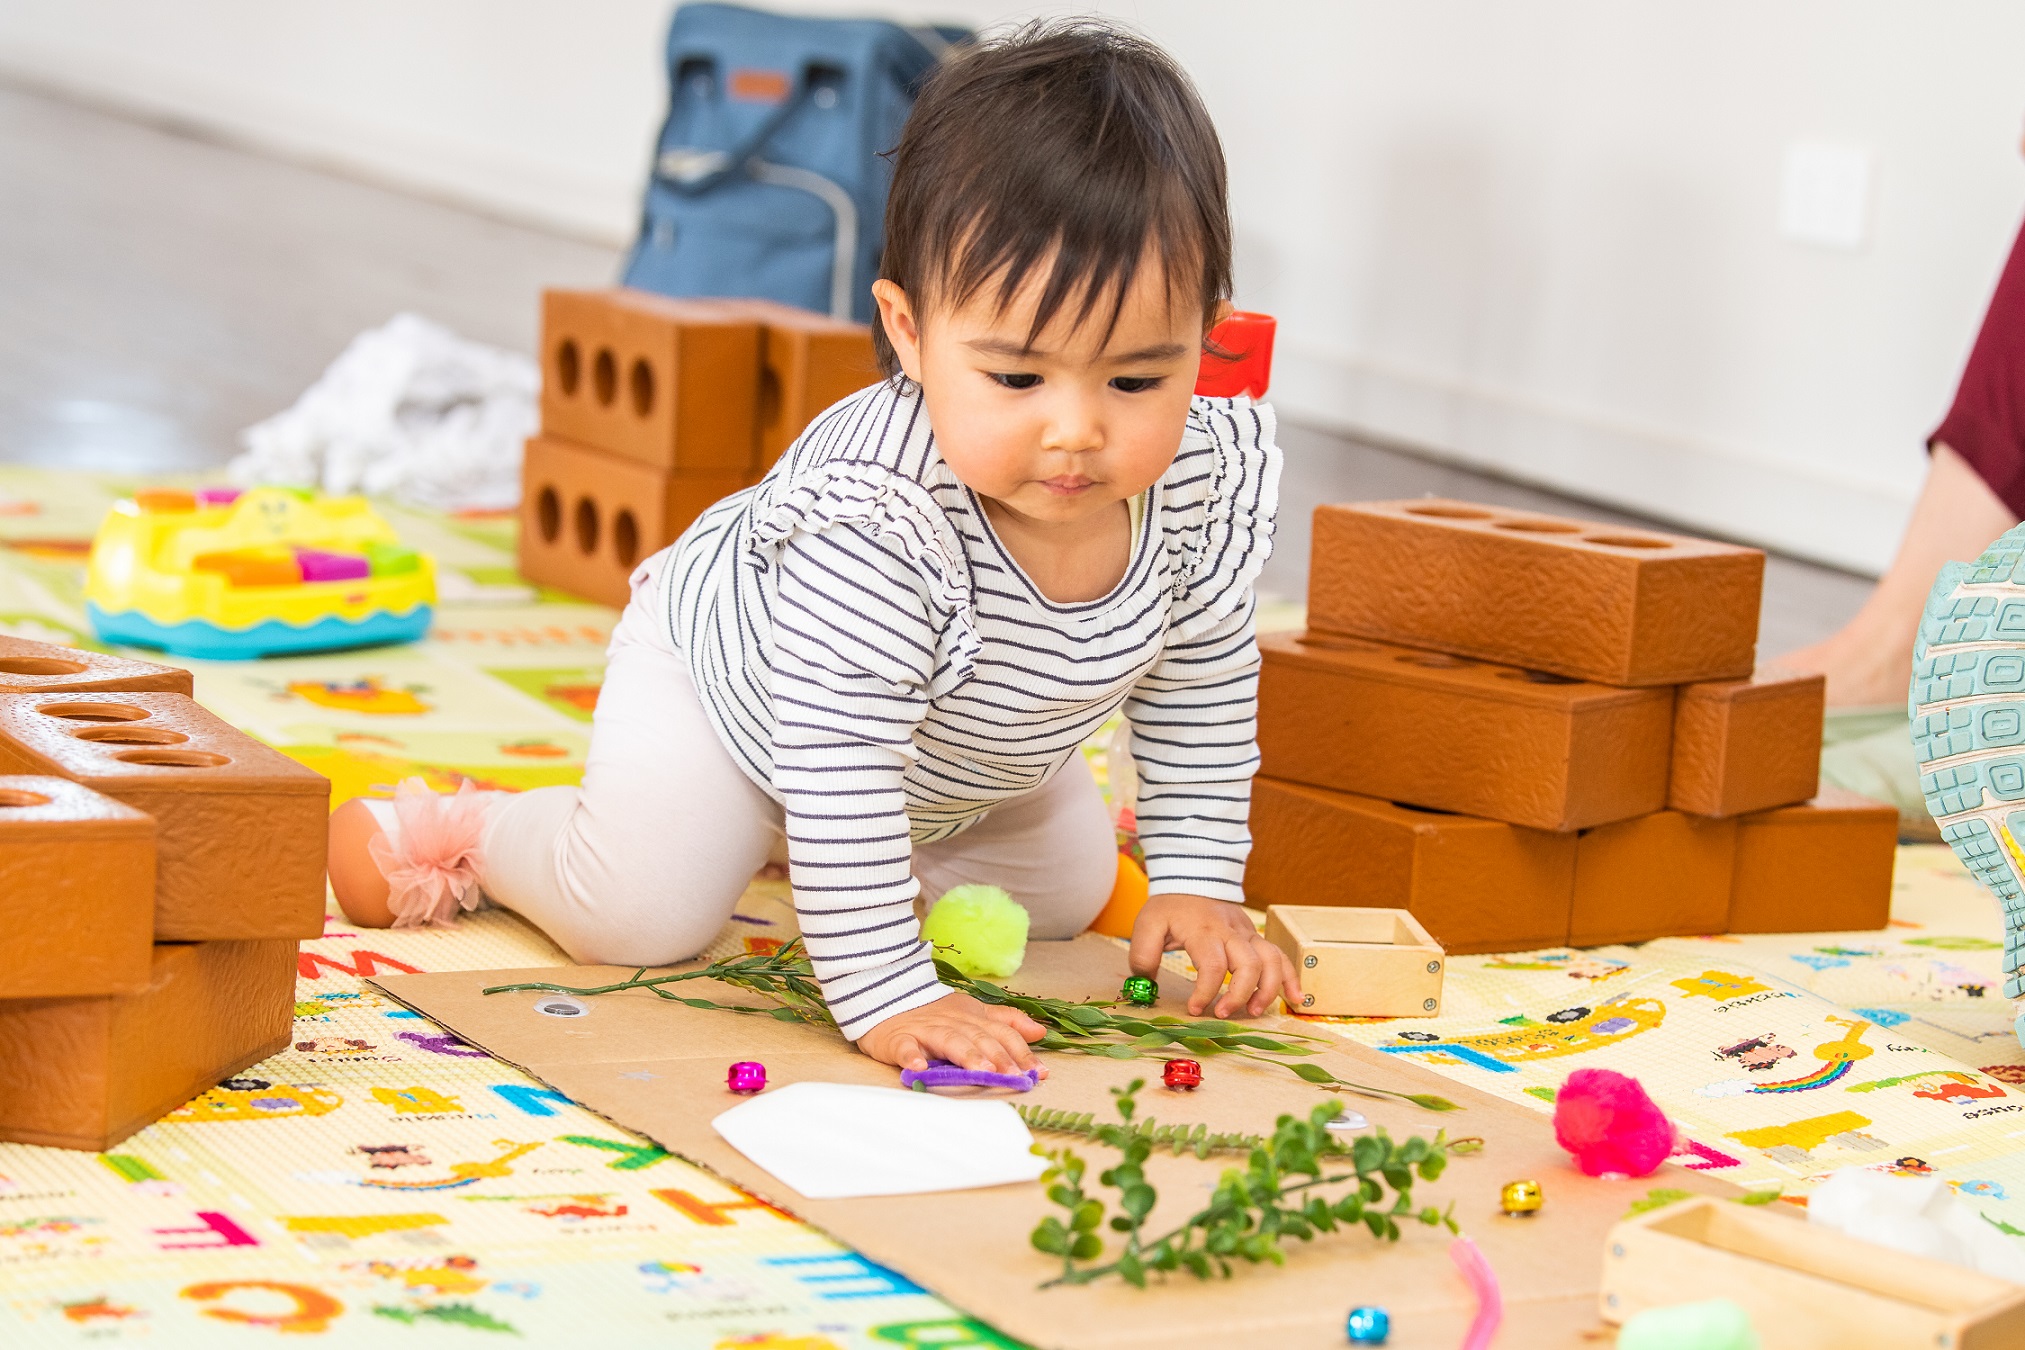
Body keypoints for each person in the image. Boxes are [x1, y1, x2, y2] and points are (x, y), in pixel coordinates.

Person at [325, 21, 1300, 1078]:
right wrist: (885, 994)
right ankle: (481, 834)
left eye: (1136, 381)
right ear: (909, 330)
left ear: (1205, 339)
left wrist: (1199, 880)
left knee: (1063, 901)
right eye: (1018, 380)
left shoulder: (1200, 478)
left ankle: (826, 863)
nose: (1077, 431)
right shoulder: (877, 518)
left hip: (955, 753)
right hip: (738, 699)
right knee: (641, 917)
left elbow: (1199, 693)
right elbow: (840, 759)